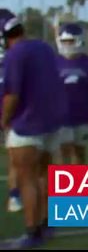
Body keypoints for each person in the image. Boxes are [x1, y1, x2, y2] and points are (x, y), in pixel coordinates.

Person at [0, 9, 65, 248]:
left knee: (26, 179)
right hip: (51, 122)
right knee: (44, 176)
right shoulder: (43, 47)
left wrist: (3, 120)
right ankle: (46, 225)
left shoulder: (15, 55)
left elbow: (12, 95)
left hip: (27, 124)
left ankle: (31, 231)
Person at [55, 23, 88, 165]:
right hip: (61, 116)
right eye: (64, 41)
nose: (66, 45)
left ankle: (78, 182)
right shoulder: (54, 62)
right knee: (63, 151)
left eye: (70, 41)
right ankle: (63, 183)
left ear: (79, 40)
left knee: (79, 152)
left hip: (83, 115)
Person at [1, 45, 23, 213]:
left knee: (15, 158)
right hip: (8, 115)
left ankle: (14, 195)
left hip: (8, 115)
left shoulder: (10, 64)